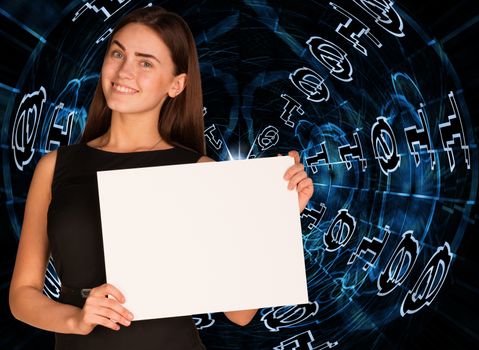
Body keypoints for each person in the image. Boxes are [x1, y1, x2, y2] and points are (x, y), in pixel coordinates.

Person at [9, 6, 314, 350]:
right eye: (118, 53)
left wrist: (278, 218)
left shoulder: (200, 172)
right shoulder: (54, 167)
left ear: (176, 84)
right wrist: (76, 320)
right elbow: (22, 295)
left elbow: (240, 313)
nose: (125, 71)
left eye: (146, 62)